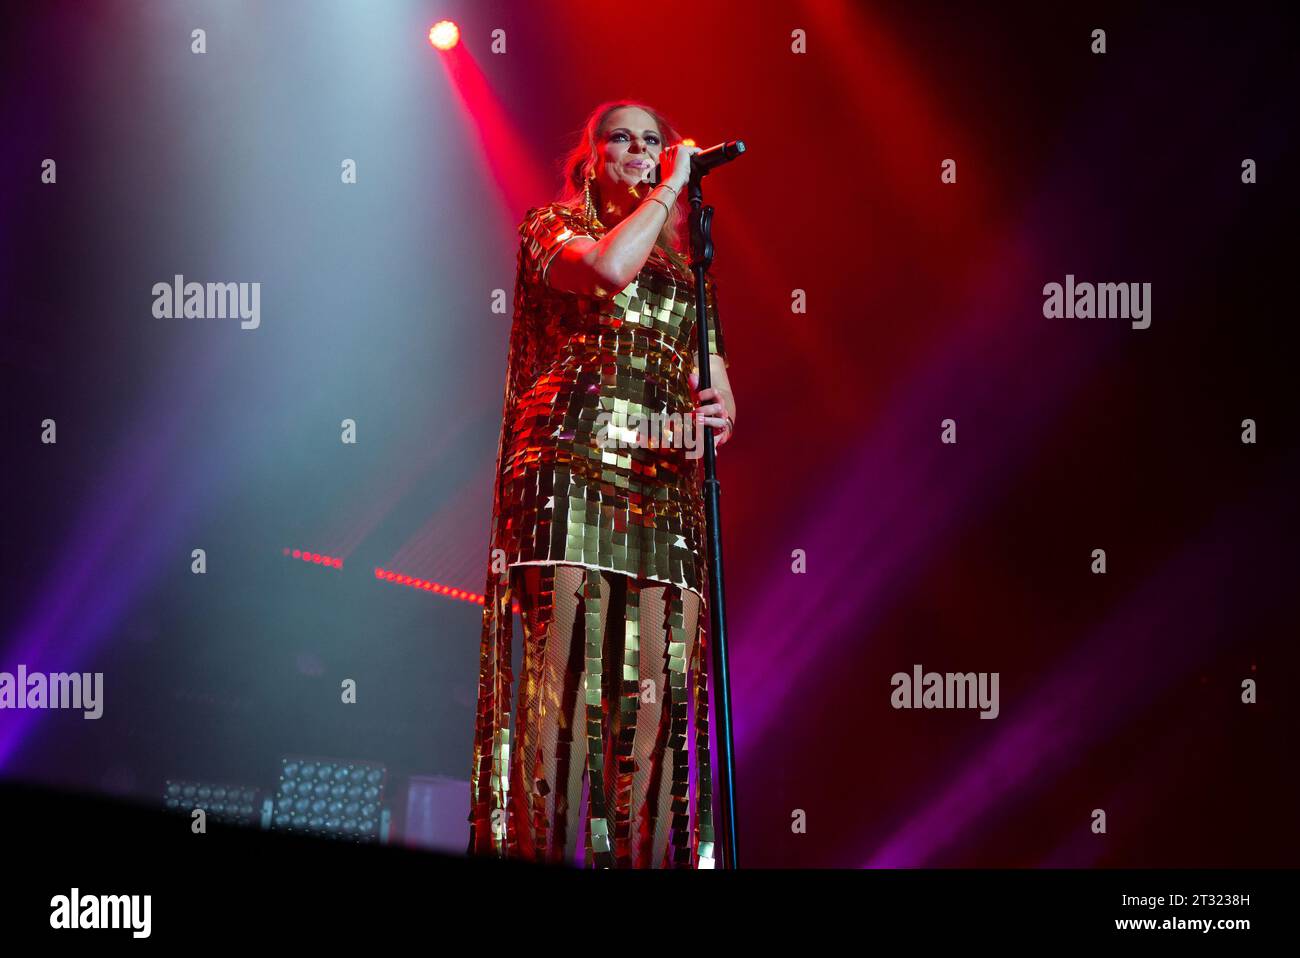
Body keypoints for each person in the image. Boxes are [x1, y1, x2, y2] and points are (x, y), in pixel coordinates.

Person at [467, 100, 737, 869]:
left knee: (655, 712)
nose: (641, 149)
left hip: (661, 487)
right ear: (590, 158)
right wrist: (672, 187)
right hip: (568, 473)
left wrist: (721, 406)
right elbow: (607, 269)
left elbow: (712, 375)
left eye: (654, 141)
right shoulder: (550, 228)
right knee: (563, 709)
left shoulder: (685, 275)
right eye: (622, 137)